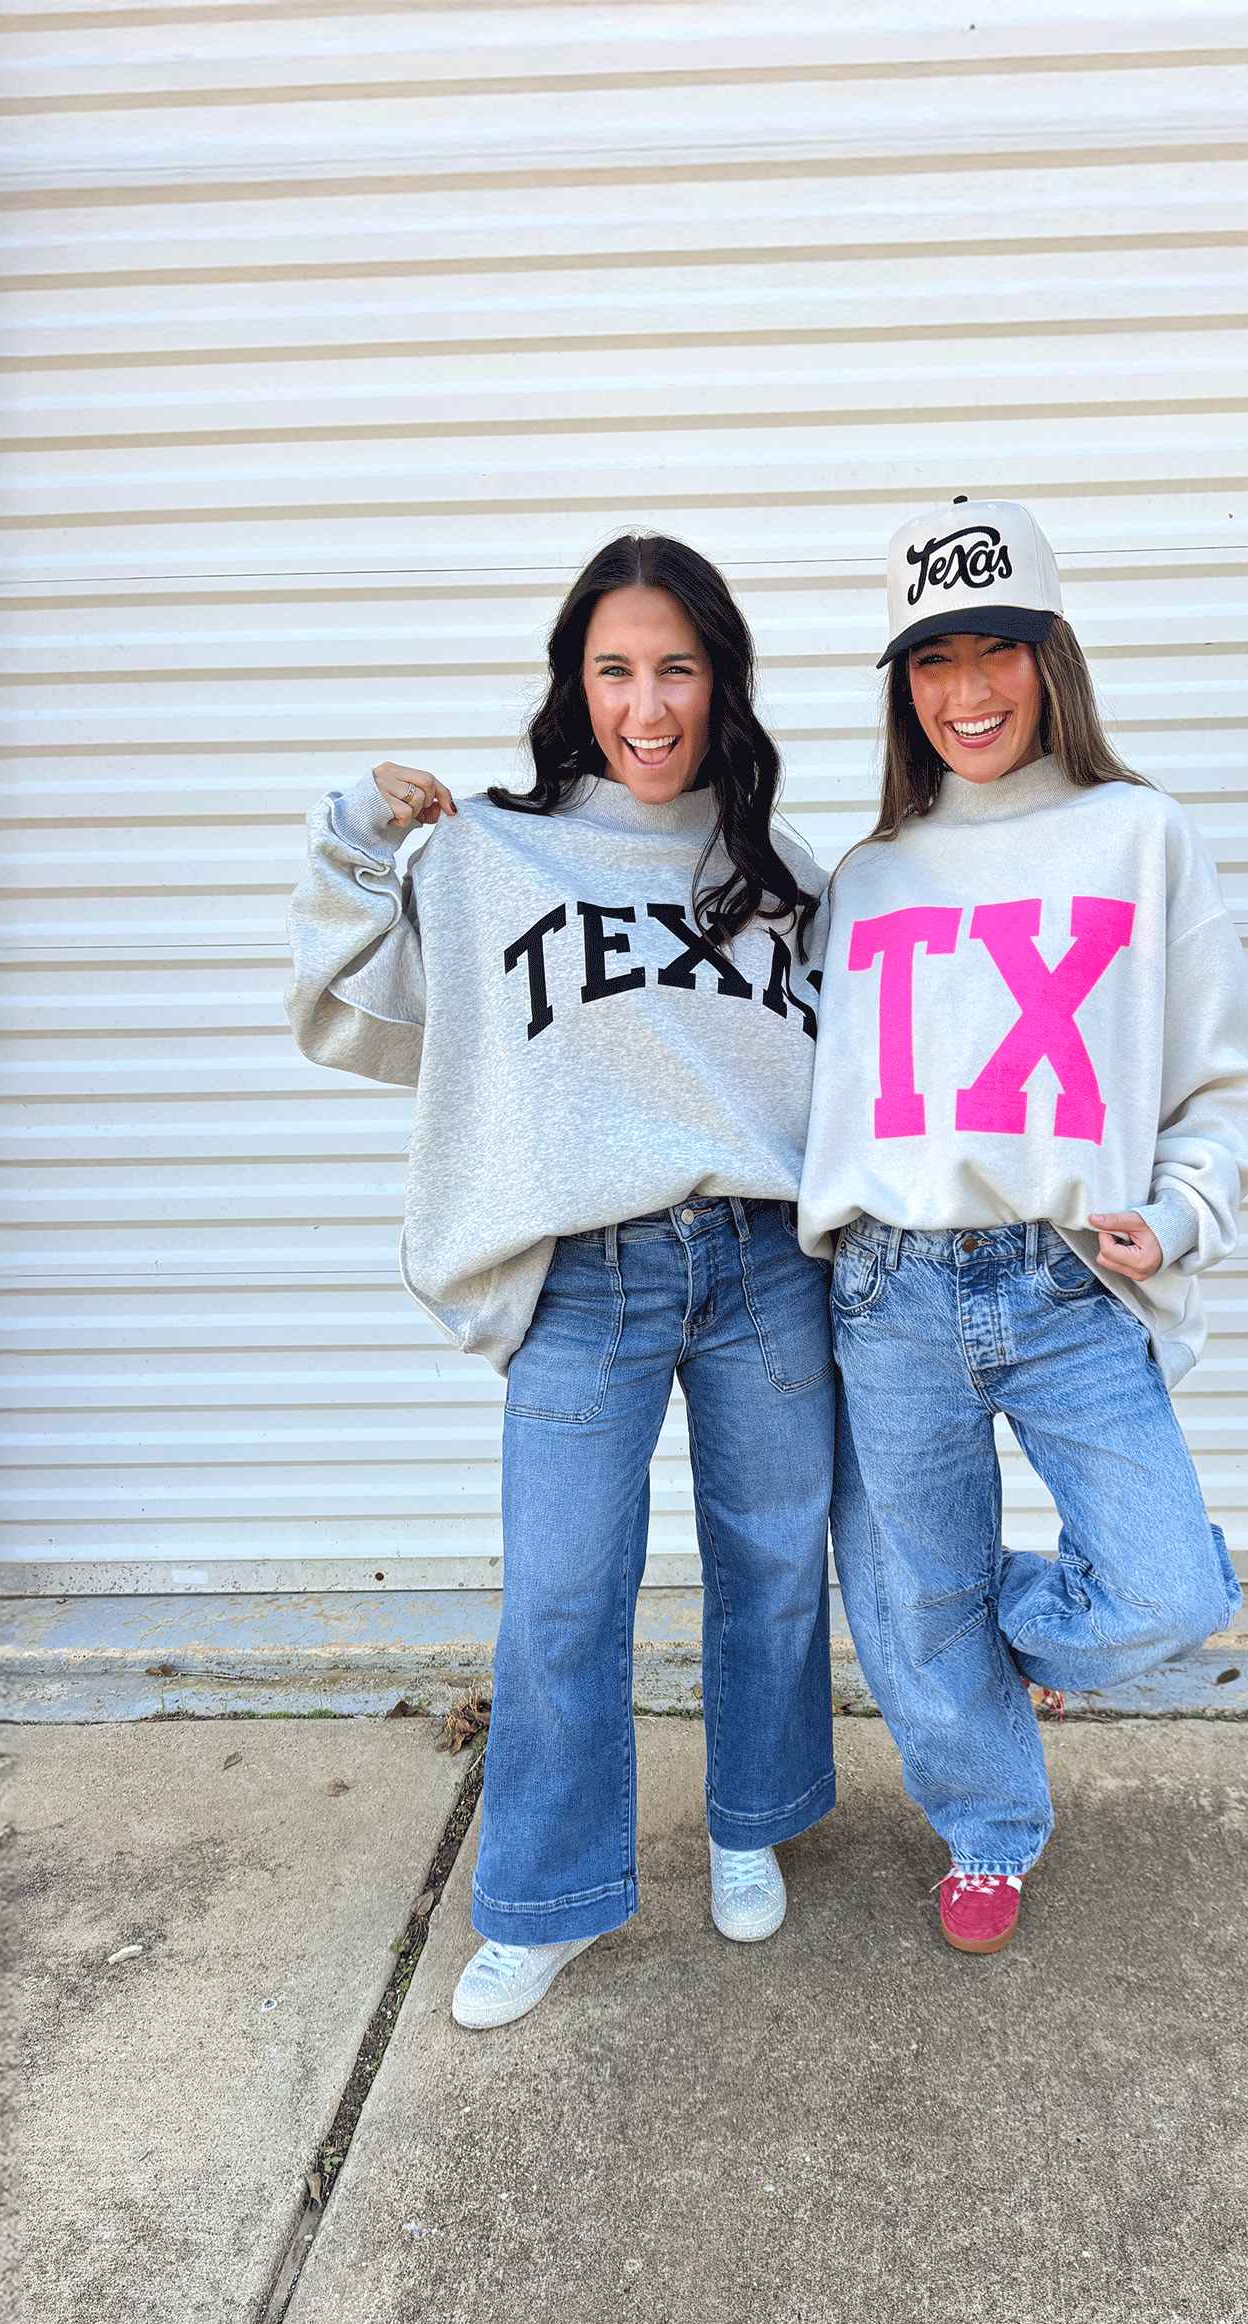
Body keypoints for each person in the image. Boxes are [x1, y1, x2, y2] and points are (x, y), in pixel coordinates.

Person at [286, 533, 838, 2030]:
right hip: (583, 1282)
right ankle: (543, 1893)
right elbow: (352, 1012)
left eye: (676, 668)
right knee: (558, 1598)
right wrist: (353, 831)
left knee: (777, 1566)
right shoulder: (494, 856)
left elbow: (864, 1089)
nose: (646, 704)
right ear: (575, 685)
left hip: (761, 1267)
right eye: (615, 669)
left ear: (721, 685)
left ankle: (750, 1817)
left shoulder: (789, 880)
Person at [800, 496, 1248, 1956]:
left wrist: (1185, 1210)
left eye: (995, 648)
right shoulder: (867, 878)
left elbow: (1232, 1076)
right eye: (931, 658)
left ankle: (946, 1637)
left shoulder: (1141, 837)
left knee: (1164, 1590)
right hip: (888, 1292)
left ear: (1049, 655)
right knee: (916, 1579)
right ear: (903, 687)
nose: (966, 691)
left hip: (1068, 1281)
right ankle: (989, 1826)